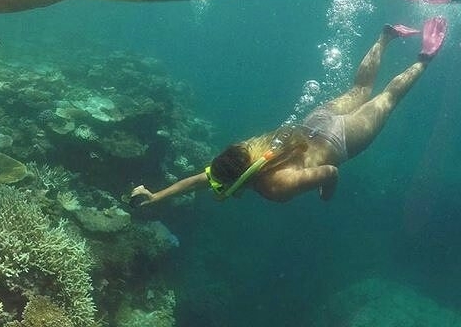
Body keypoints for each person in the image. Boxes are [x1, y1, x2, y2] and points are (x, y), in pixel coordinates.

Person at [129, 17, 447, 206]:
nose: (215, 186)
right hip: (315, 122)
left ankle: (425, 57)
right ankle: (385, 36)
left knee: (387, 99)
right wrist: (156, 196)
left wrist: (326, 194)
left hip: (339, 142)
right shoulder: (244, 154)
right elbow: (197, 181)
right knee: (360, 90)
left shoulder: (274, 187)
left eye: (220, 186)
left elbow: (331, 172)